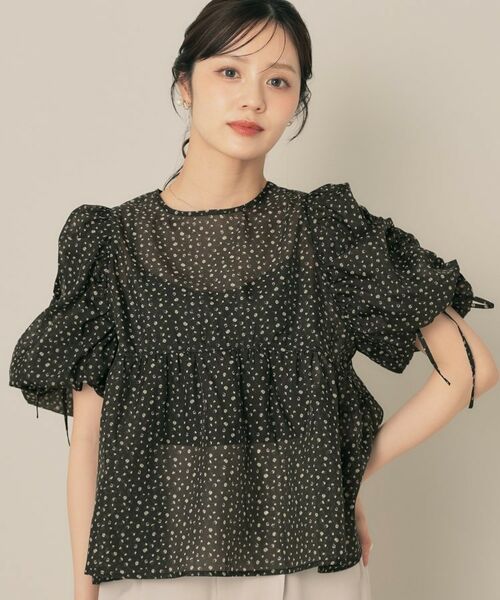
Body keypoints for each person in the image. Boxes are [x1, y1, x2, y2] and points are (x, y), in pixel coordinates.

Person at [8, 1, 498, 599]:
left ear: (298, 102)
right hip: (153, 570)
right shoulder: (109, 244)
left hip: (306, 570)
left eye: (278, 81)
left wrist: (341, 473)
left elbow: (470, 368)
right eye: (229, 72)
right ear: (184, 84)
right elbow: (89, 443)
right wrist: (82, 592)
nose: (253, 99)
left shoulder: (326, 233)